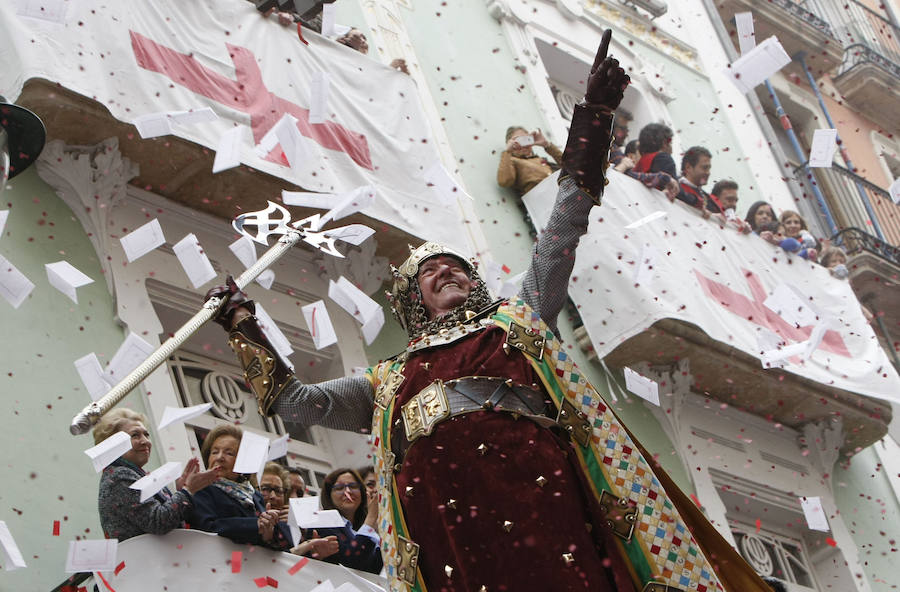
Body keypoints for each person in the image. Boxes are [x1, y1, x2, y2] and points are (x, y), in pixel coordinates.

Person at [208, 32, 770, 592]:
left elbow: (559, 232)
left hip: (541, 504)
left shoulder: (516, 321)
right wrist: (242, 325)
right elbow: (296, 403)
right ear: (414, 302)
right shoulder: (387, 380)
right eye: (431, 272)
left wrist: (594, 119)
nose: (446, 271)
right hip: (449, 536)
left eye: (455, 266)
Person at [94, 408, 218, 541]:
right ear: (113, 444)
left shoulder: (131, 473)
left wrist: (181, 490)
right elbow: (158, 522)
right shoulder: (119, 476)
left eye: (146, 435)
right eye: (135, 435)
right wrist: (188, 490)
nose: (145, 441)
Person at [190, 425, 293, 550]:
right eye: (215, 452)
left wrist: (267, 532)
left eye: (229, 453)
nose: (219, 457)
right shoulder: (201, 488)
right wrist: (255, 525)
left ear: (243, 461)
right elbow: (208, 528)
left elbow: (268, 543)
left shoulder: (255, 496)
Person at [301, 468, 382, 574]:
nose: (348, 492)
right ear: (329, 495)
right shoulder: (322, 523)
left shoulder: (360, 529)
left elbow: (376, 568)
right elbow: (353, 563)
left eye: (353, 486)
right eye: (339, 488)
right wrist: (371, 518)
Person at [496, 126, 563, 196]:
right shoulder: (511, 161)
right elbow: (504, 181)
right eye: (518, 141)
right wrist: (508, 152)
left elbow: (570, 166)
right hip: (545, 199)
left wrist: (546, 145)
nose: (523, 144)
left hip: (565, 192)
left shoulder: (541, 160)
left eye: (526, 140)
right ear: (510, 143)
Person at [627, 122, 679, 199]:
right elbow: (675, 189)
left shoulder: (640, 162)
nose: (672, 150)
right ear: (665, 143)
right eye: (670, 143)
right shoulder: (664, 158)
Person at [677, 146, 712, 210]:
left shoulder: (707, 197)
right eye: (704, 168)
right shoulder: (676, 189)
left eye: (709, 168)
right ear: (688, 167)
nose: (708, 173)